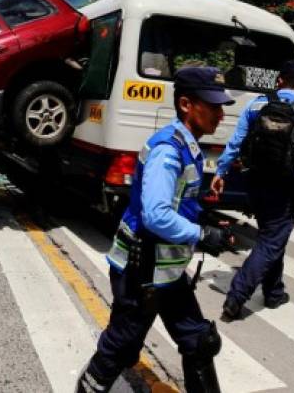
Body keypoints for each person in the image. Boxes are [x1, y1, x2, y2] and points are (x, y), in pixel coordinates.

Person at [77, 67, 236, 393]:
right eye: (213, 105)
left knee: (199, 341)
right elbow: (157, 215)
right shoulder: (168, 149)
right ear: (186, 104)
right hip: (142, 270)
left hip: (166, 269)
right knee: (121, 347)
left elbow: (176, 202)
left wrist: (203, 218)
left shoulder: (187, 144)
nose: (220, 114)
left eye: (222, 106)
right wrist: (202, 235)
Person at [210, 61, 294, 321]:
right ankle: (237, 296)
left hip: (254, 182)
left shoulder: (255, 105)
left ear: (279, 81)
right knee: (272, 239)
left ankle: (274, 292)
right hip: (288, 185)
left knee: (272, 236)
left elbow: (235, 142)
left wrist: (220, 172)